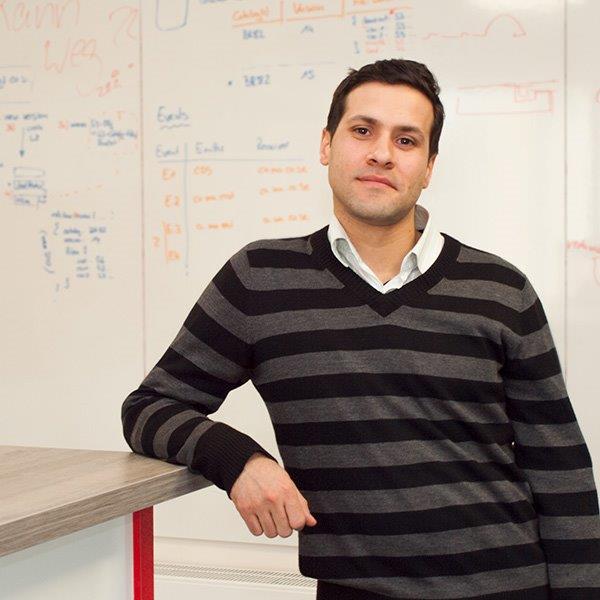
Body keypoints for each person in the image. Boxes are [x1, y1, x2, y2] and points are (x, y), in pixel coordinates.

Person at [121, 59, 600, 599]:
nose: (382, 153)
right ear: (327, 144)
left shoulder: (500, 289)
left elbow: (560, 467)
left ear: (428, 166)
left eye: (406, 140)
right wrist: (240, 462)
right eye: (363, 131)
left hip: (509, 586)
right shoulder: (259, 279)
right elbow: (149, 408)